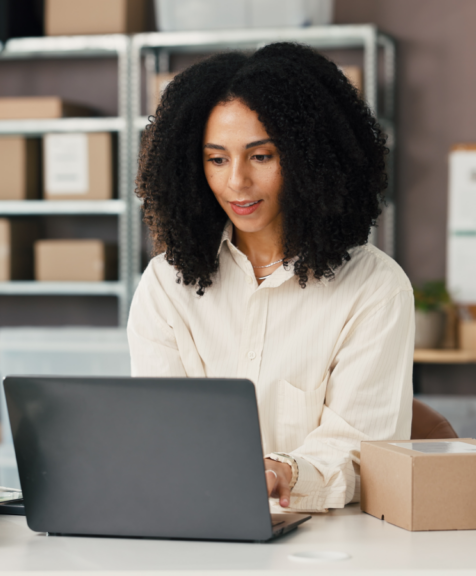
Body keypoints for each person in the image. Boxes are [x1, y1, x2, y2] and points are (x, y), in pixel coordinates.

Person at [128, 42, 414, 513]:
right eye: (216, 159)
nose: (236, 182)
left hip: (327, 542)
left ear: (311, 160)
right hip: (194, 523)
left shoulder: (375, 288)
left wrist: (285, 473)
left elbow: (363, 451)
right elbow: (160, 432)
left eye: (261, 157)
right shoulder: (166, 284)